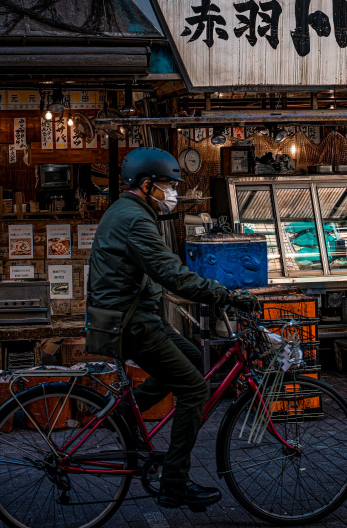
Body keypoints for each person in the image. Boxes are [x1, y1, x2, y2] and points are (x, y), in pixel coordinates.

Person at [87, 147, 257, 511]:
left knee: (194, 358)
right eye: (168, 185)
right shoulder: (135, 218)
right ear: (147, 185)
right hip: (129, 323)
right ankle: (175, 483)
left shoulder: (129, 211)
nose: (173, 193)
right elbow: (170, 273)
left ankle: (121, 415)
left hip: (132, 316)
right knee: (195, 390)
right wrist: (223, 294)